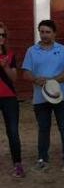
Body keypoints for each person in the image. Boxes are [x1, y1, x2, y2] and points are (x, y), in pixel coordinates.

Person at [23, 20, 64, 172]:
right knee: (43, 128)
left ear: (54, 33)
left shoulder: (63, 50)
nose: (44, 35)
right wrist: (36, 79)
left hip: (61, 95)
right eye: (42, 32)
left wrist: (52, 82)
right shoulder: (32, 51)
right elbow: (26, 73)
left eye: (48, 32)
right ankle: (42, 159)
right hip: (40, 97)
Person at [0, 23, 23, 177]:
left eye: (3, 35)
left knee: (13, 132)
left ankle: (18, 164)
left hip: (9, 98)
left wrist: (6, 67)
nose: (0, 38)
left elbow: (14, 78)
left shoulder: (10, 55)